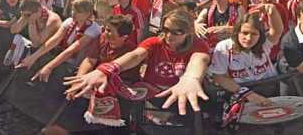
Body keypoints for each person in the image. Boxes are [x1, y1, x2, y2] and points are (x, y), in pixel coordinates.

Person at [64, 9, 211, 126]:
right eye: (166, 29)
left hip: (183, 96)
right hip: (152, 95)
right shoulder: (155, 42)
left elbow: (199, 60)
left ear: (189, 32)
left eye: (177, 31)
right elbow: (136, 55)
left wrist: (191, 78)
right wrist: (108, 69)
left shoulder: (197, 45)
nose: (169, 35)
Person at [208, 7, 284, 127]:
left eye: (254, 34)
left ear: (260, 35)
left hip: (268, 88)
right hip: (241, 92)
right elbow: (219, 77)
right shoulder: (224, 47)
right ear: (237, 32)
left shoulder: (263, 44)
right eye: (244, 33)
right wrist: (248, 94)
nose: (248, 38)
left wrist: (272, 11)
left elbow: (277, 31)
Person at [20, 0, 102, 81]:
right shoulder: (69, 21)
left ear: (87, 14)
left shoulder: (93, 29)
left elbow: (71, 50)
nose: (74, 13)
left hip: (74, 67)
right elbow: (54, 41)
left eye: (78, 12)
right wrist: (33, 57)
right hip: (60, 62)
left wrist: (48, 67)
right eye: (73, 10)